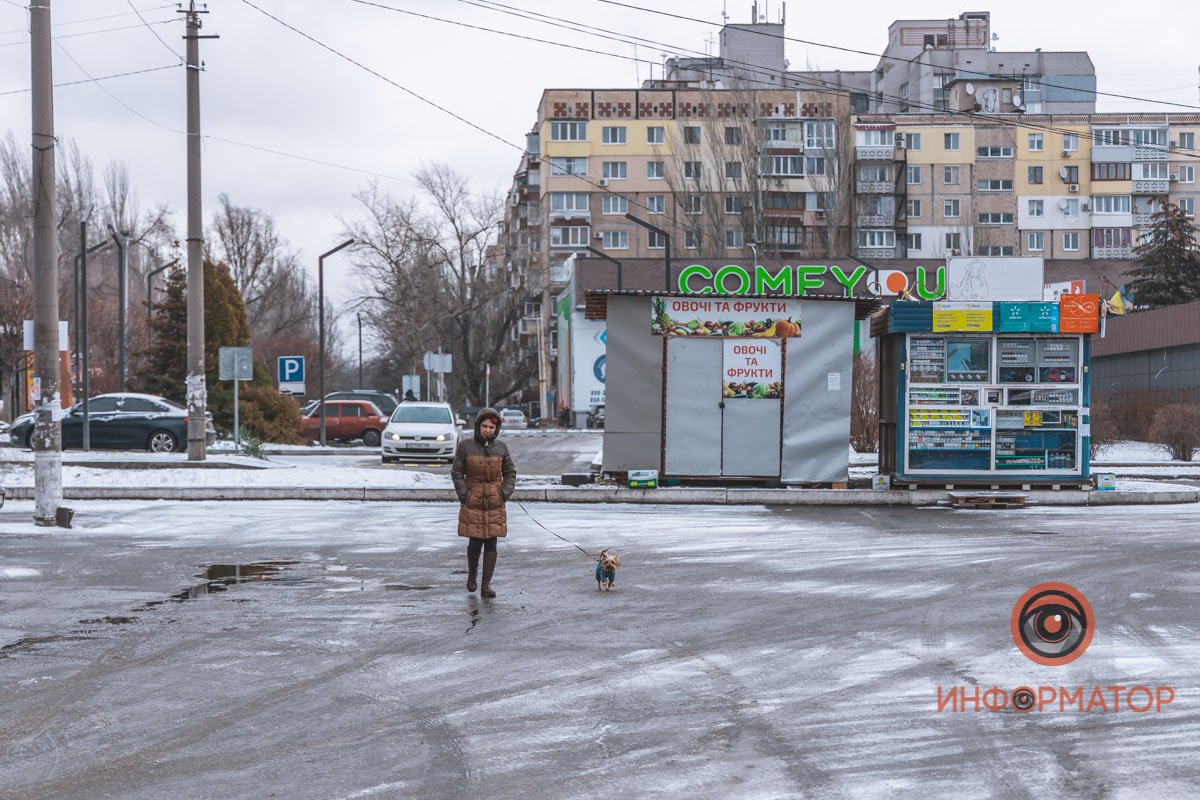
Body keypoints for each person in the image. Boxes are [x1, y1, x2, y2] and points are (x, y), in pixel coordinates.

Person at [451, 407, 516, 598]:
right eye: (485, 426)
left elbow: (510, 472)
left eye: (491, 427)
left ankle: (486, 585)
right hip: (474, 501)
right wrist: (465, 494)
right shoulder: (466, 446)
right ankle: (472, 576)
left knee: (492, 543)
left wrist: (504, 493)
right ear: (478, 426)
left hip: (495, 502)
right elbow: (457, 472)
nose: (488, 430)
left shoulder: (501, 448)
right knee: (475, 541)